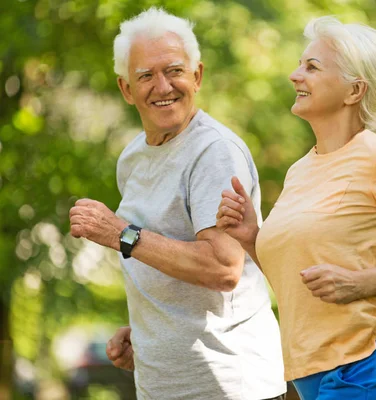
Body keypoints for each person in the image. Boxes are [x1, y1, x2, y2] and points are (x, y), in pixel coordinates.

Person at [216, 16, 376, 400]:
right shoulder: (300, 170)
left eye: (312, 67)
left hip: (366, 371)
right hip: (311, 377)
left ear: (354, 91)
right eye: (300, 64)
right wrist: (252, 238)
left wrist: (359, 283)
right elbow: (303, 280)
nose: (295, 75)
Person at [68, 8, 286, 400]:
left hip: (229, 385)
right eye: (146, 76)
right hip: (163, 384)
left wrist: (120, 233)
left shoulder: (214, 153)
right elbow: (166, 261)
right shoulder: (132, 158)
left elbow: (223, 268)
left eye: (174, 71)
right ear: (126, 88)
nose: (162, 86)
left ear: (197, 76)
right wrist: (149, 333)